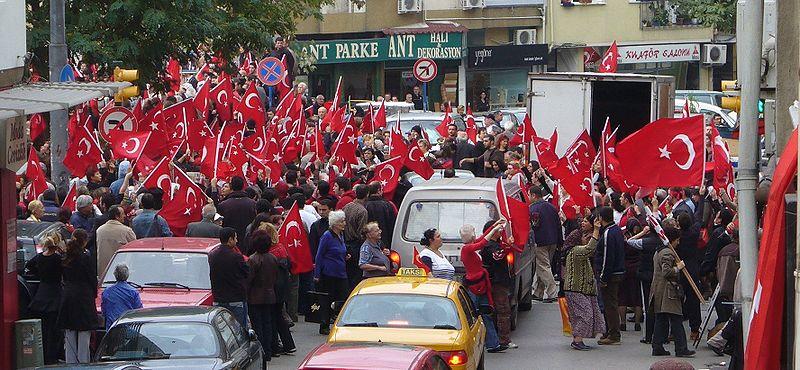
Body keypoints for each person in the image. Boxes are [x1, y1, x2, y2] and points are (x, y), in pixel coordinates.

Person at [460, 221, 507, 353]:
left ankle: (493, 344)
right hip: (475, 287)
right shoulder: (467, 249)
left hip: (480, 285)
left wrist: (494, 225)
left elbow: (482, 239)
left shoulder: (469, 247)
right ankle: (475, 344)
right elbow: (482, 242)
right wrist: (494, 229)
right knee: (474, 317)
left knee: (486, 314)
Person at [650, 226, 696, 358]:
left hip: (659, 289)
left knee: (661, 319)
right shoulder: (667, 253)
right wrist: (678, 268)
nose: (678, 243)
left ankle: (657, 346)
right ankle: (681, 348)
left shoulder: (660, 251)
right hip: (668, 291)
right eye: (677, 240)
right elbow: (667, 272)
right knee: (676, 319)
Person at [562, 215, 605, 351]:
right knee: (585, 314)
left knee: (579, 315)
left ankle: (577, 339)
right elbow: (590, 248)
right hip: (576, 289)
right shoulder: (575, 251)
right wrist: (597, 230)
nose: (587, 238)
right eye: (584, 236)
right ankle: (577, 340)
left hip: (579, 289)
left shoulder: (576, 252)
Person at [58, 229, 98, 364]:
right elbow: (92, 277)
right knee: (84, 332)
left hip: (68, 295)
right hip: (83, 296)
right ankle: (83, 362)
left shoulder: (66, 256)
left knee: (69, 332)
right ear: (85, 241)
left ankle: (70, 362)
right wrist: (94, 292)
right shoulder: (86, 257)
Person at [24, 233, 63, 364]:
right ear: (56, 245)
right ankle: (52, 356)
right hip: (55, 295)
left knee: (43, 329)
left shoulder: (40, 257)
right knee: (54, 330)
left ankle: (43, 355)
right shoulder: (58, 259)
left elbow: (29, 265)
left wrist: (39, 273)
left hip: (41, 295)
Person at [480, 219, 516, 349]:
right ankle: (503, 340)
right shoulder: (490, 246)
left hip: (498, 281)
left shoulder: (495, 244)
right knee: (503, 310)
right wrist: (508, 247)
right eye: (498, 229)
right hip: (496, 282)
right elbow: (497, 256)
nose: (501, 231)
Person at [314, 210, 348, 335]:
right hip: (329, 273)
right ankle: (324, 324)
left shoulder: (341, 235)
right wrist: (317, 274)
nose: (344, 223)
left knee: (343, 298)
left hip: (341, 272)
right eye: (341, 222)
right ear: (334, 224)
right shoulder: (327, 236)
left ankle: (338, 322)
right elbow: (319, 255)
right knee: (327, 300)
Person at [245, 230, 278, 362]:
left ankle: (261, 351)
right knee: (267, 324)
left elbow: (249, 279)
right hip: (270, 295)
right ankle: (268, 351)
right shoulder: (273, 258)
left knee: (258, 325)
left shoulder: (253, 260)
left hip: (255, 297)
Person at [595, 206, 626, 345]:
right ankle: (609, 331)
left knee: (610, 304)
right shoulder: (616, 230)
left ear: (601, 218)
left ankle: (614, 334)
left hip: (611, 274)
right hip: (616, 272)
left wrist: (603, 277)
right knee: (610, 303)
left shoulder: (608, 233)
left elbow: (608, 257)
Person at [208, 227, 250, 328]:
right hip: (236, 298)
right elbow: (246, 272)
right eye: (235, 238)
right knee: (240, 328)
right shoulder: (236, 256)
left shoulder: (212, 255)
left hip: (219, 298)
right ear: (230, 239)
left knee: (222, 328)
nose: (237, 240)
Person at [529, 186, 561, 302]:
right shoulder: (552, 207)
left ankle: (552, 292)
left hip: (540, 241)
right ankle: (538, 291)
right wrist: (560, 241)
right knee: (543, 266)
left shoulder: (533, 209)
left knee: (543, 266)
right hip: (553, 240)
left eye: (529, 195)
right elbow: (558, 225)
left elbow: (534, 225)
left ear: (533, 195)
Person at [95, 205, 136, 276]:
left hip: (103, 272)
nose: (125, 216)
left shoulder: (99, 230)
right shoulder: (126, 231)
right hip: (122, 273)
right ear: (117, 216)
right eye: (123, 214)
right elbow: (135, 248)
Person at [100, 264, 143, 330]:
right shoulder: (133, 292)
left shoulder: (107, 291)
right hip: (128, 327)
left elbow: (104, 311)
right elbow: (139, 311)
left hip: (112, 327)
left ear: (115, 275)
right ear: (127, 275)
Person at [342, 184, 369, 289]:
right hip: (355, 245)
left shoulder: (347, 206)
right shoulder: (362, 211)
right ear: (367, 195)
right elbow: (362, 232)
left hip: (345, 242)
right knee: (356, 275)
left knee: (348, 273)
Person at [218, 176, 257, 246]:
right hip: (247, 241)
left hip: (230, 242)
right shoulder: (253, 204)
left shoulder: (223, 205)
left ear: (231, 187)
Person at [363, 182, 396, 248]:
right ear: (378, 190)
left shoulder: (365, 205)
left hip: (368, 242)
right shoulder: (387, 205)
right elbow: (393, 224)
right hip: (386, 241)